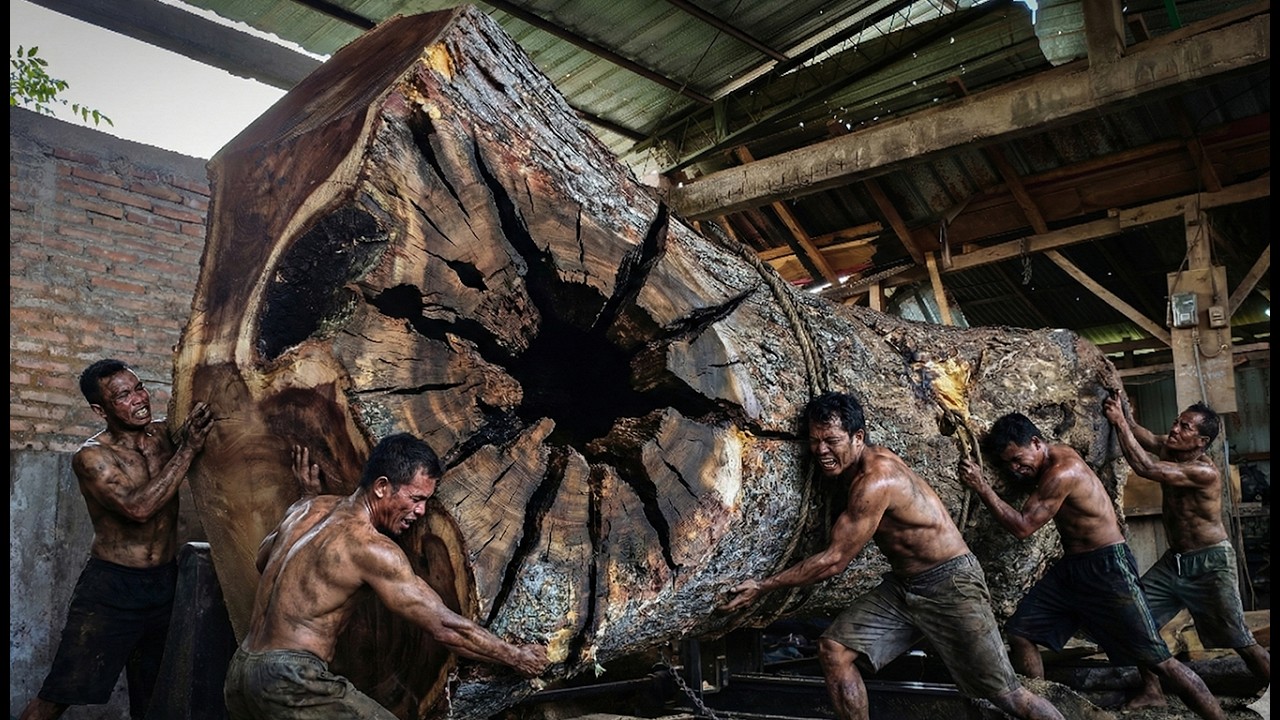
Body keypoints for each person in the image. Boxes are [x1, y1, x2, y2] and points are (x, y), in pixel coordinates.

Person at [719, 391, 1064, 720]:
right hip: (905, 586)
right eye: (815, 441)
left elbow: (835, 561)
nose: (821, 450)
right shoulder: (859, 464)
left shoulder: (875, 481)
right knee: (834, 650)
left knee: (1007, 695)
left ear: (858, 437)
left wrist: (762, 587)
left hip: (951, 584)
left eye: (832, 441)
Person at [224, 432, 551, 719]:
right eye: (416, 498)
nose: (421, 511)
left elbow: (262, 559)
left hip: (241, 670)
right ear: (382, 487)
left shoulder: (307, 508)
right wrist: (516, 655)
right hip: (289, 679)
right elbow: (444, 626)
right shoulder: (370, 548)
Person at [959, 412, 1225, 719]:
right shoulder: (1051, 454)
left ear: (1036, 442)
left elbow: (1022, 527)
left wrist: (982, 487)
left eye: (1018, 459)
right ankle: (1042, 710)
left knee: (1159, 660)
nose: (1016, 469)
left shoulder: (1062, 471)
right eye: (1008, 465)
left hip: (1108, 567)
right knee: (1021, 631)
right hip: (1074, 567)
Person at [20, 358, 215, 720]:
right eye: (123, 395)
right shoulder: (92, 456)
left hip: (165, 585)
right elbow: (138, 509)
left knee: (155, 695)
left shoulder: (165, 435)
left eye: (138, 387)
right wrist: (187, 450)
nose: (139, 399)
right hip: (112, 589)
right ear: (100, 409)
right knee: (60, 692)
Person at [1103, 394, 1270, 705]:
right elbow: (1143, 434)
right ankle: (1152, 691)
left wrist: (1118, 422)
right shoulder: (1170, 446)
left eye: (1185, 427)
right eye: (1177, 422)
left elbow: (1144, 467)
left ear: (1202, 440)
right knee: (1137, 620)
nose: (1174, 429)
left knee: (1239, 639)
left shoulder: (1204, 472)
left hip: (1211, 563)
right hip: (1174, 563)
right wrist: (1119, 400)